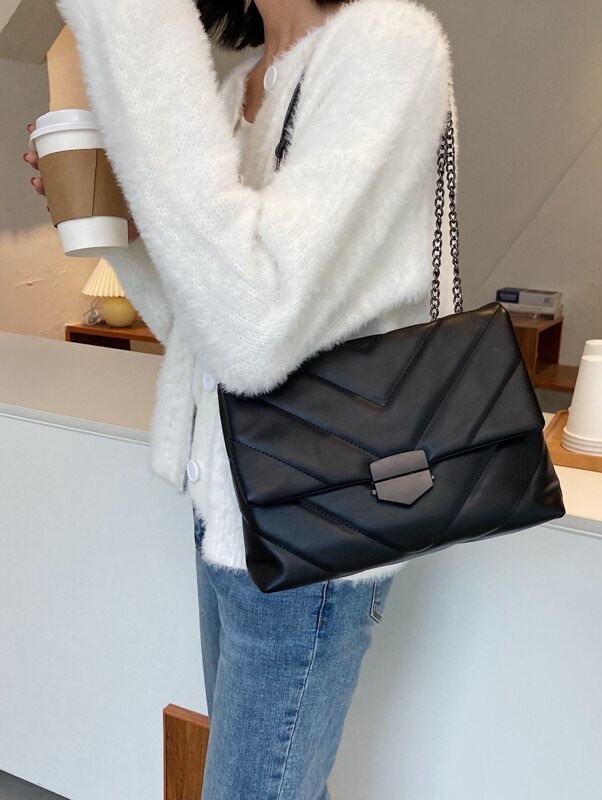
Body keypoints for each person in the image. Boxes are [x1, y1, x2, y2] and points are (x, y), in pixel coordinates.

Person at [25, 0, 456, 795]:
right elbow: (207, 336)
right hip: (223, 513)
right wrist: (121, 227)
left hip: (311, 527)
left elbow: (258, 327)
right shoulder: (237, 92)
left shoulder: (386, 47)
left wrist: (132, 22)